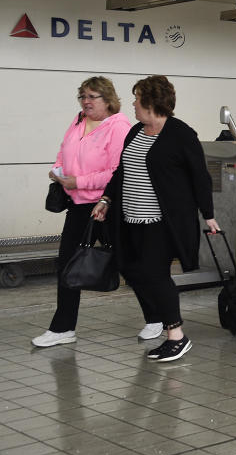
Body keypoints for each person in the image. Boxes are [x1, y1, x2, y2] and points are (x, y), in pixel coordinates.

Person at [92, 75, 220, 362]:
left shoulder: (181, 134)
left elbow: (201, 177)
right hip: (130, 219)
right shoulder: (136, 131)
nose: (134, 105)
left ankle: (176, 335)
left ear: (151, 102)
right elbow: (121, 171)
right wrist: (106, 198)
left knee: (154, 273)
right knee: (131, 270)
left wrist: (208, 215)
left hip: (162, 222)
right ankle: (165, 327)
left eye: (137, 99)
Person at [32, 77, 135, 348]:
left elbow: (116, 172)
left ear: (108, 99)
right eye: (83, 96)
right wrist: (58, 171)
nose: (86, 102)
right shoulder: (78, 120)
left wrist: (80, 182)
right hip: (78, 205)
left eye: (92, 97)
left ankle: (159, 317)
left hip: (105, 204)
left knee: (128, 263)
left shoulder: (119, 126)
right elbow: (64, 152)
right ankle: (63, 327)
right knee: (67, 263)